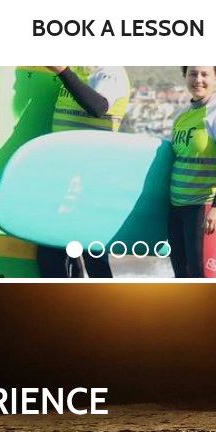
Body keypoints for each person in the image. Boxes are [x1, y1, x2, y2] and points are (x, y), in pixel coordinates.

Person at [36, 65, 131, 279]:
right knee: (54, 257)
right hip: (62, 183)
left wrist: (62, 71)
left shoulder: (110, 72)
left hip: (89, 185)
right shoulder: (78, 71)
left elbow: (98, 106)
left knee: (93, 260)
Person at [168, 66, 216, 278]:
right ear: (184, 76)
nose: (198, 79)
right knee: (182, 276)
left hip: (204, 208)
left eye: (205, 74)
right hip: (177, 208)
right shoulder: (182, 115)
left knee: (203, 277)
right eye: (192, 74)